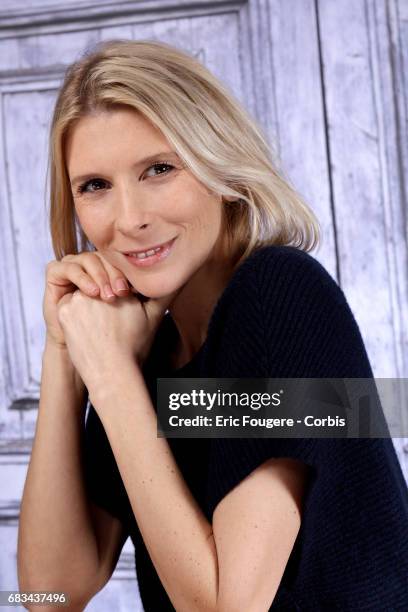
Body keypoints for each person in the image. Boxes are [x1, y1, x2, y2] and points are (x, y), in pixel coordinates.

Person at [17, 39, 408, 612]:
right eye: (94, 186)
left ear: (219, 163)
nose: (130, 220)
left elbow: (226, 608)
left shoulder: (280, 293)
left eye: (159, 169)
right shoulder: (149, 351)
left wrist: (111, 378)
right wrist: (63, 356)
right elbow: (47, 593)